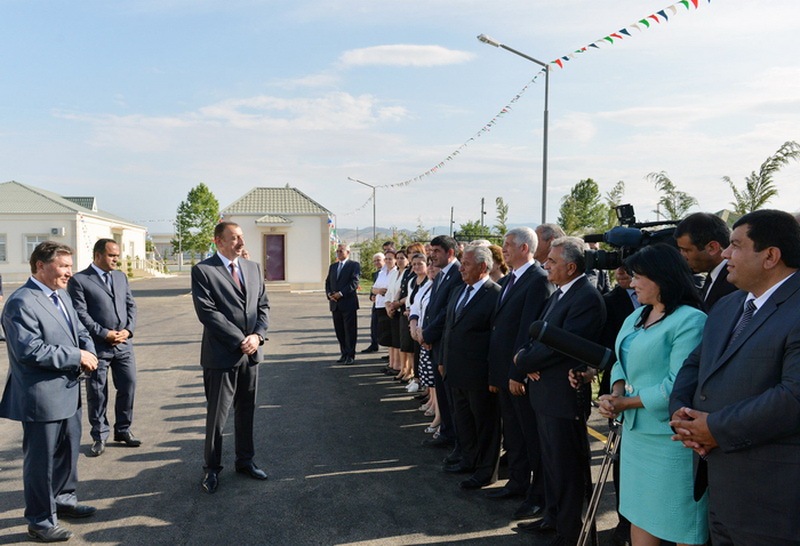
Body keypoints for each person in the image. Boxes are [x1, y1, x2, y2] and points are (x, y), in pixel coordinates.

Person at [670, 209, 800, 545]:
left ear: (770, 256)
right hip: (722, 488)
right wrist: (680, 412)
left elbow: (793, 396)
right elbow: (695, 364)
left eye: (736, 245)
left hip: (774, 497)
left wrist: (715, 428)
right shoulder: (729, 305)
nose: (725, 254)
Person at [597, 244, 708, 546]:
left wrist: (624, 403)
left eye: (637, 277)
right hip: (635, 438)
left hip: (669, 441)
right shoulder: (637, 316)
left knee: (680, 523)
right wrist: (615, 392)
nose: (631, 284)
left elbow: (677, 385)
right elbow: (620, 360)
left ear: (661, 278)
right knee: (640, 514)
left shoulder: (690, 320)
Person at [0, 242, 99, 542]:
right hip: (41, 396)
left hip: (69, 390)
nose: (70, 272)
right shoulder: (21, 302)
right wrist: (77, 357)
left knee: (68, 453)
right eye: (64, 266)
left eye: (70, 265)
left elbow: (80, 331)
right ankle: (40, 521)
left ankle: (64, 499)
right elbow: (30, 350)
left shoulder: (62, 295)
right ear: (40, 266)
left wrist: (88, 352)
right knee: (41, 462)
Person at [514, 236, 605, 545]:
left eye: (551, 261)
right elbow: (539, 333)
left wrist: (524, 360)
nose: (545, 265)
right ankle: (553, 517)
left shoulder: (586, 297)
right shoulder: (561, 293)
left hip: (564, 394)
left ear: (570, 266)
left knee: (567, 468)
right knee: (552, 463)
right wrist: (526, 357)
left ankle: (571, 532)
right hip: (547, 392)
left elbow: (562, 345)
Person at [191, 222, 270, 494]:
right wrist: (240, 340)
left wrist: (257, 336)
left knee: (246, 410)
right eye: (234, 238)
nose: (240, 242)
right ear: (218, 242)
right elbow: (208, 313)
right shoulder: (204, 271)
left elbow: (263, 306)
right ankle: (212, 469)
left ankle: (245, 461)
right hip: (222, 355)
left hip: (251, 354)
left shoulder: (252, 268)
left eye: (242, 237)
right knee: (217, 417)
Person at [485, 227, 554, 522]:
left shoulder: (537, 280)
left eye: (508, 244)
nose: (503, 249)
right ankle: (517, 482)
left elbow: (528, 330)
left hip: (520, 374)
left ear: (525, 248)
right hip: (504, 371)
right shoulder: (513, 278)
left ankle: (537, 497)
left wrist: (517, 371)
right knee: (513, 434)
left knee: (530, 437)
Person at [67, 239, 140, 457]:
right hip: (97, 347)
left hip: (123, 345)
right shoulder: (80, 280)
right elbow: (80, 314)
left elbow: (130, 305)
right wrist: (104, 333)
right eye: (111, 255)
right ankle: (99, 435)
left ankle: (123, 430)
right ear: (98, 255)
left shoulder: (120, 276)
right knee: (97, 393)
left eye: (117, 255)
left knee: (128, 386)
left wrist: (128, 330)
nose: (116, 259)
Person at [440, 245, 502, 489]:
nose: (461, 268)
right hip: (456, 370)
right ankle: (469, 460)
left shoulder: (495, 294)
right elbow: (449, 329)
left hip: (479, 374)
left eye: (466, 264)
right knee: (464, 421)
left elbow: (496, 339)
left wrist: (493, 375)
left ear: (483, 267)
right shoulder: (458, 291)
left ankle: (486, 471)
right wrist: (443, 360)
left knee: (485, 424)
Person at [419, 235, 464, 452]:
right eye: (431, 250)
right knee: (443, 394)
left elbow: (448, 311)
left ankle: (454, 437)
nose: (431, 255)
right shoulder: (441, 275)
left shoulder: (457, 274)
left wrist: (428, 334)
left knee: (451, 396)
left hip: (446, 344)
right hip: (435, 343)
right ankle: (446, 432)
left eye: (436, 251)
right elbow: (432, 308)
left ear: (450, 253)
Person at [674, 212, 736, 310]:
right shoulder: (714, 277)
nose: (682, 256)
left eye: (687, 250)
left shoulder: (733, 283)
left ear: (712, 247)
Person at [325, 243, 360, 365]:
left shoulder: (354, 265)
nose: (339, 253)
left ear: (348, 252)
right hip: (335, 304)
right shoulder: (333, 266)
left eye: (341, 251)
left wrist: (341, 293)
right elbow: (328, 282)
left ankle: (350, 354)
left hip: (348, 303)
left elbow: (354, 283)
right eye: (337, 251)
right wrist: (329, 294)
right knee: (339, 330)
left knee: (349, 330)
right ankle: (344, 353)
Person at [361, 253, 385, 353]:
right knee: (374, 324)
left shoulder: (388, 272)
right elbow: (374, 286)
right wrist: (372, 295)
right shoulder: (376, 273)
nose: (376, 262)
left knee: (385, 326)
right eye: (374, 261)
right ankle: (374, 343)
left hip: (385, 303)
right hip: (376, 302)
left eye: (378, 260)